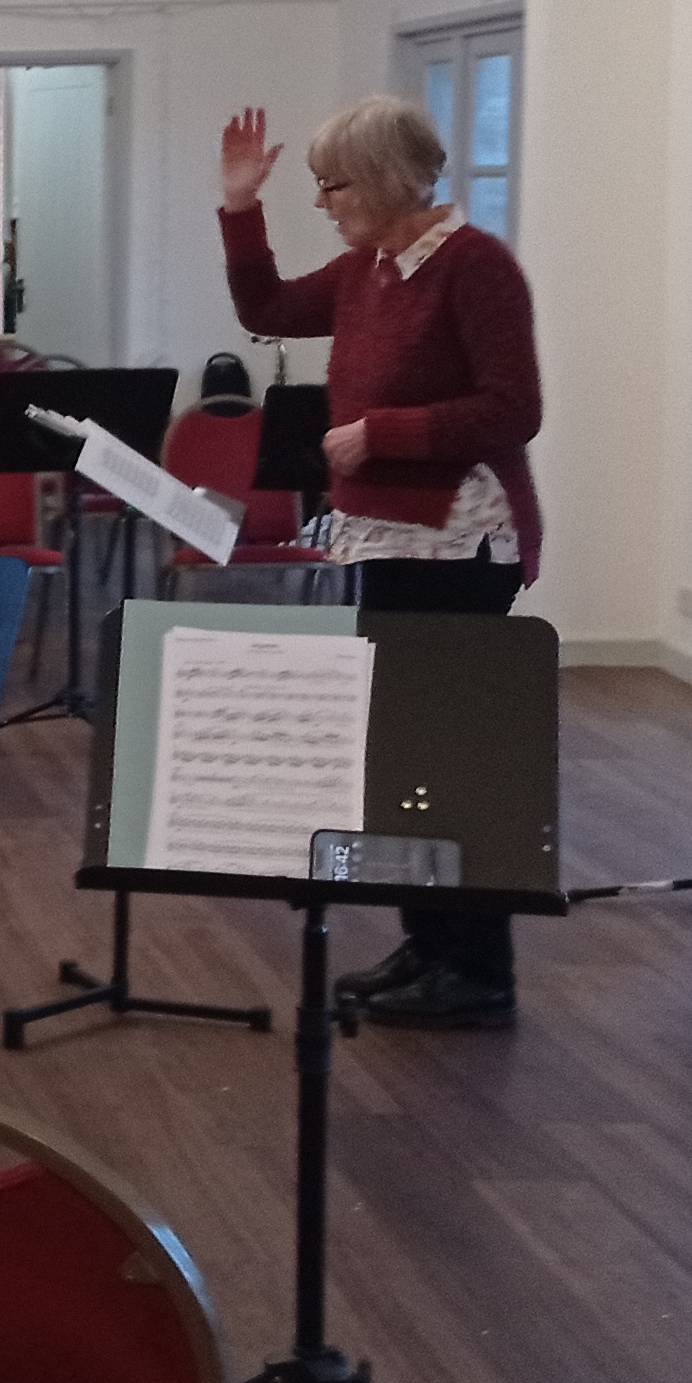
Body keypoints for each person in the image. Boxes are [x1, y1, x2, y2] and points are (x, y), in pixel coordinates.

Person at [219, 96, 545, 1027]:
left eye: (334, 184)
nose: (322, 201)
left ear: (389, 182)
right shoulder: (371, 268)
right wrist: (242, 206)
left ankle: (478, 968)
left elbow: (513, 410)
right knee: (405, 756)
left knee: (451, 760)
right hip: (386, 537)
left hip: (457, 540)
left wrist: (383, 436)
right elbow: (268, 309)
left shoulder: (476, 268)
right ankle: (430, 940)